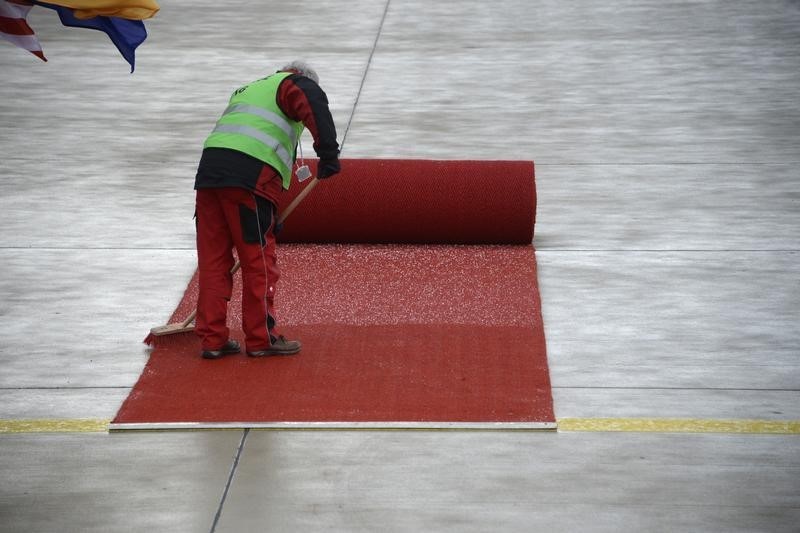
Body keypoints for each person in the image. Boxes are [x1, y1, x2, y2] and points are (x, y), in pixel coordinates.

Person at [193, 61, 340, 359]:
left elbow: (246, 138)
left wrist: (268, 217)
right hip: (247, 180)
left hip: (209, 177)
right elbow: (310, 96)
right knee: (257, 260)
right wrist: (328, 152)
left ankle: (212, 339)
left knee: (214, 262)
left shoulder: (248, 90)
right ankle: (261, 338)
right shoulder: (291, 83)